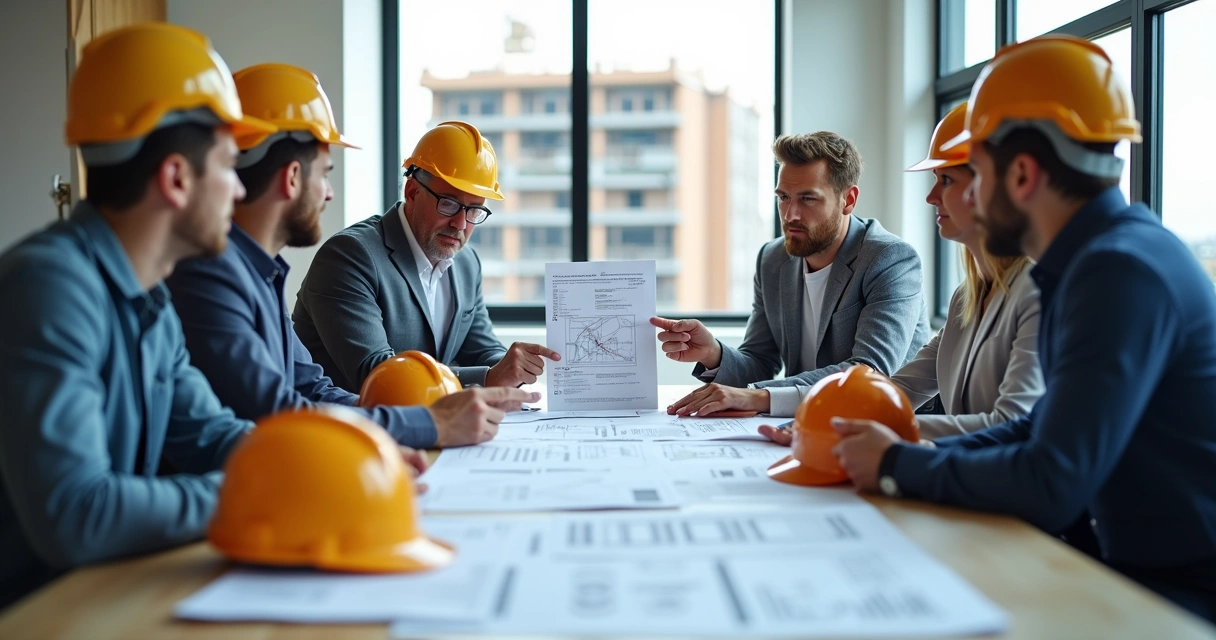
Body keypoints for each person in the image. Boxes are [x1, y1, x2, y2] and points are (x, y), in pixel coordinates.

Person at [830, 35, 1216, 621]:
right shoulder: (1093, 261)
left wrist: (895, 465)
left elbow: (1051, 479)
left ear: (1023, 175)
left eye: (975, 173)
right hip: (1126, 566)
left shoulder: (1118, 272)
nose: (968, 197)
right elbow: (1038, 430)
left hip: (1175, 597)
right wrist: (897, 448)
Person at [0, 24, 263, 607]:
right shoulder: (49, 287)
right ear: (175, 178)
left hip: (94, 596)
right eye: (228, 165)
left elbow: (210, 435)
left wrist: (325, 462)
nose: (240, 191)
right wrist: (259, 494)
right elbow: (76, 512)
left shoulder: (150, 299)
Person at [165, 64, 533, 450]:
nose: (329, 194)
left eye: (474, 210)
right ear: (292, 177)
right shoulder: (220, 275)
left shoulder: (261, 275)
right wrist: (422, 424)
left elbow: (310, 386)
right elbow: (278, 408)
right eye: (325, 174)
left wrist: (391, 429)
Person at [761, 104, 1042, 443]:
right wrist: (821, 421)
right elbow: (899, 389)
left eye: (947, 181)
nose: (930, 196)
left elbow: (1012, 423)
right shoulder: (966, 296)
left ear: (992, 188)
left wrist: (844, 427)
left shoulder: (1036, 293)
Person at [653, 131, 931, 418]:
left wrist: (761, 397)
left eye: (808, 199)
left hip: (891, 428)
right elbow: (761, 362)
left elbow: (869, 373)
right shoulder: (773, 259)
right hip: (809, 423)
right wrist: (713, 353)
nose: (790, 215)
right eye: (784, 197)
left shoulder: (890, 259)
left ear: (848, 199)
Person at [292, 121, 559, 392]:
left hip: (430, 426)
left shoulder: (467, 263)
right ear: (412, 192)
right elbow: (376, 373)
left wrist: (510, 367)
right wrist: (488, 378)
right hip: (344, 427)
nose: (460, 224)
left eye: (474, 210)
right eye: (449, 204)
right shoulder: (350, 257)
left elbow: (480, 348)